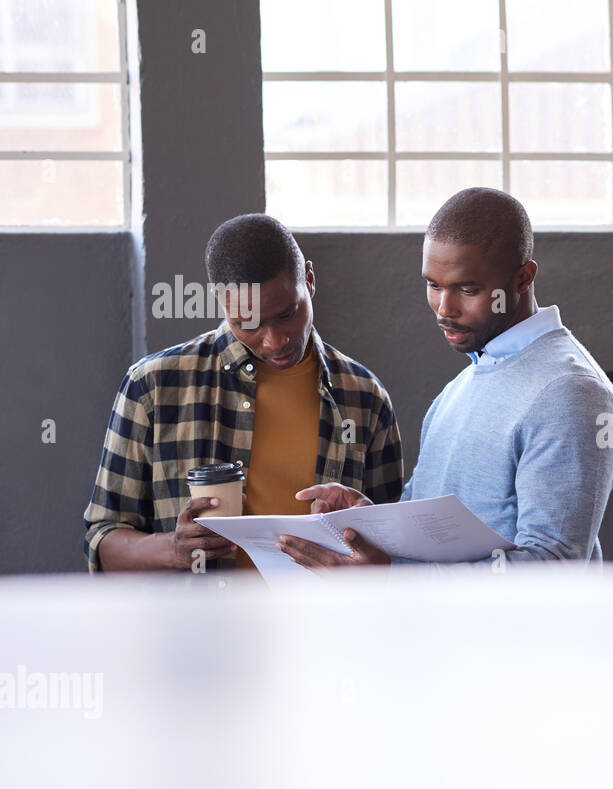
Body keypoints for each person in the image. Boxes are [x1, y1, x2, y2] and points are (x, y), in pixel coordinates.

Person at [276, 187, 613, 570]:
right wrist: (368, 524)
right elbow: (427, 537)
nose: (444, 309)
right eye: (433, 285)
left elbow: (552, 567)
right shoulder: (458, 390)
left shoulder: (569, 392)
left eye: (468, 289)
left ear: (524, 277)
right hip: (442, 629)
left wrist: (389, 576)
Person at [83, 214, 404, 572]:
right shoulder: (153, 388)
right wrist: (173, 549)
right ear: (222, 304)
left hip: (317, 625)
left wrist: (369, 560)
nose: (275, 340)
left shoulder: (364, 398)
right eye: (246, 324)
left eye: (287, 314)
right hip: (197, 627)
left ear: (309, 281)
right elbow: (102, 540)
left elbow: (392, 553)